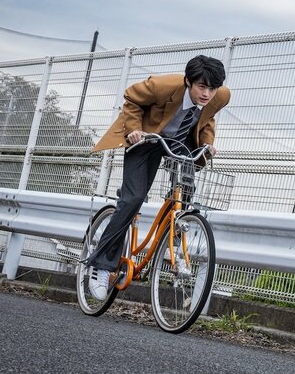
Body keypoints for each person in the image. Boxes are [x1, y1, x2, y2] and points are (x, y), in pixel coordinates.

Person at [86, 54, 231, 300]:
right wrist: (134, 131)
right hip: (146, 138)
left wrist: (208, 144)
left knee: (184, 197)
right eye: (202, 87)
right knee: (133, 199)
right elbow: (131, 97)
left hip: (180, 141)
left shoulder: (221, 96)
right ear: (188, 82)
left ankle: (174, 246)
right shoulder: (162, 86)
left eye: (212, 88)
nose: (207, 94)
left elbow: (207, 119)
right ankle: (101, 266)